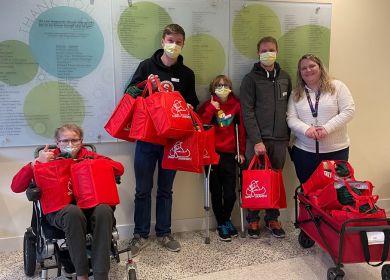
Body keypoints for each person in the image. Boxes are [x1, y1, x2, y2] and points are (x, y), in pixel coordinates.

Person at [10, 124, 124, 280]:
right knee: (73, 212)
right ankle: (82, 275)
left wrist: (92, 162)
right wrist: (36, 162)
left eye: (74, 140)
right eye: (65, 141)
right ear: (57, 142)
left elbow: (119, 169)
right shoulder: (46, 159)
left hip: (90, 208)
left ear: (81, 141)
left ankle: (101, 275)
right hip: (61, 212)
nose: (69, 144)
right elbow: (16, 186)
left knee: (104, 210)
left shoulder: (89, 156)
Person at [127, 23, 199, 256]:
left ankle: (164, 233)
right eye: (170, 41)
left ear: (183, 44)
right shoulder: (146, 66)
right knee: (143, 189)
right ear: (162, 42)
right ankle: (139, 234)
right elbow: (129, 95)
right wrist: (144, 86)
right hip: (148, 138)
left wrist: (188, 107)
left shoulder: (187, 74)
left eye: (178, 42)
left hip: (173, 142)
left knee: (166, 190)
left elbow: (193, 104)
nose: (174, 45)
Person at [239, 36, 291, 239]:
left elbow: (290, 107)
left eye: (271, 49)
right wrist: (257, 140)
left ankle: (272, 218)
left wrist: (288, 137)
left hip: (280, 140)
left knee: (274, 180)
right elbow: (247, 112)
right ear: (258, 53)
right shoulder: (250, 79)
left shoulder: (285, 77)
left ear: (277, 51)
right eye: (263, 50)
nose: (267, 53)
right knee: (255, 180)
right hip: (257, 140)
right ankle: (252, 219)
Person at [287, 53, 355, 184]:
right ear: (300, 72)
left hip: (335, 151)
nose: (308, 70)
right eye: (303, 68)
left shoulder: (337, 86)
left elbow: (349, 111)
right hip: (304, 152)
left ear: (320, 67)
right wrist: (306, 129)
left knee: (335, 191)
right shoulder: (295, 93)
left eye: (312, 66)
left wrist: (326, 128)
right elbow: (291, 118)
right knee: (308, 190)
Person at [198, 75, 246, 242]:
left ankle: (225, 220)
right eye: (218, 85)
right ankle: (222, 224)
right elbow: (201, 126)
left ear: (231, 87)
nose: (222, 87)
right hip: (211, 154)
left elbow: (242, 131)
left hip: (230, 154)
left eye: (225, 85)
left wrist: (241, 152)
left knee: (231, 193)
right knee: (216, 192)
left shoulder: (236, 105)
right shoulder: (206, 105)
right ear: (213, 89)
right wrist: (211, 108)